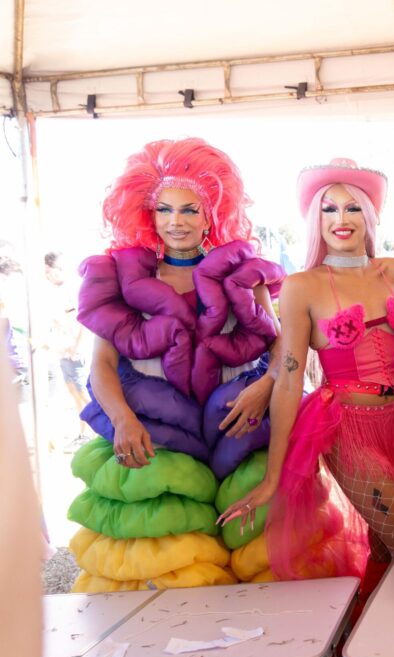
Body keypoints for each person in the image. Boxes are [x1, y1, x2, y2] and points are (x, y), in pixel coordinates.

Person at [72, 138, 284, 591]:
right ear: (148, 216)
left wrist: (267, 383)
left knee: (259, 553)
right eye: (165, 210)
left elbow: (284, 348)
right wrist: (123, 420)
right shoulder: (122, 279)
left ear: (212, 214)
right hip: (155, 432)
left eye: (190, 210)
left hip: (239, 425)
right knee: (167, 567)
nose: (177, 222)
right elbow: (102, 366)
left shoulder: (241, 275)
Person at [220, 158, 394, 586]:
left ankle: (375, 642)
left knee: (386, 544)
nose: (341, 219)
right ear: (314, 218)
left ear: (369, 216)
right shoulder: (303, 286)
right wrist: (273, 475)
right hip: (348, 429)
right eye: (328, 208)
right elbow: (290, 378)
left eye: (352, 207)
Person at [42, 251, 90, 445]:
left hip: (75, 352)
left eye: (48, 270)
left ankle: (105, 433)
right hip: (63, 351)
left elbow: (83, 321)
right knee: (74, 393)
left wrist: (76, 347)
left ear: (59, 269)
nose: (46, 275)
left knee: (83, 394)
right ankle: (84, 433)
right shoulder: (55, 292)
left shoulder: (73, 290)